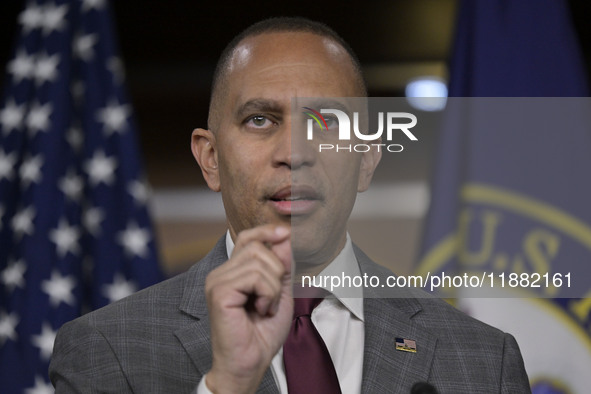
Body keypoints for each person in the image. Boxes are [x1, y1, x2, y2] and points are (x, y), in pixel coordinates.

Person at [49, 17, 531, 393]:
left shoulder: (486, 361)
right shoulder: (106, 350)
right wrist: (227, 387)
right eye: (260, 120)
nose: (295, 152)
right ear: (211, 158)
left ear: (365, 160)